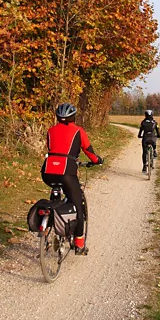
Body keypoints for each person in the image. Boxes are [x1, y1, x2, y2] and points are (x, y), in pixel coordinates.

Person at [41, 102, 104, 255]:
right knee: (78, 207)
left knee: (55, 195)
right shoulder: (78, 131)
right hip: (67, 173)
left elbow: (52, 148)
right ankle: (79, 245)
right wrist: (97, 160)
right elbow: (88, 150)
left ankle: (46, 231)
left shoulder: (50, 131)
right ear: (73, 117)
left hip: (47, 171)